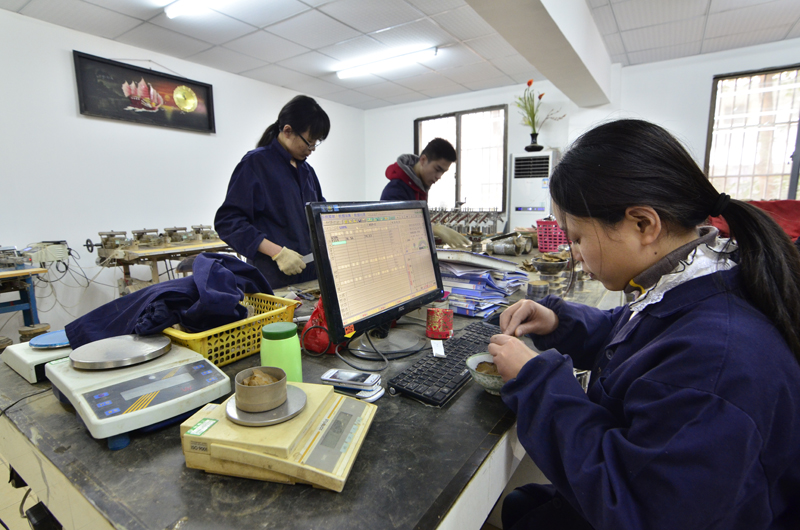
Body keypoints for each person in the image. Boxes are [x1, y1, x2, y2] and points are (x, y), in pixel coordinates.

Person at [488, 119, 800, 530]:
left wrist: (535, 380)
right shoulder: (699, 284)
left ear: (643, 224)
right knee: (523, 505)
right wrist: (559, 321)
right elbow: (635, 335)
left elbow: (632, 505)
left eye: (578, 238)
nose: (574, 253)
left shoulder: (718, 363)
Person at [215, 95, 330, 289]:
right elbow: (228, 222)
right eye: (309, 142)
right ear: (288, 131)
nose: (312, 149)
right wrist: (277, 252)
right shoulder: (256, 164)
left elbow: (319, 213)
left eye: (315, 143)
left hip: (310, 276)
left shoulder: (307, 171)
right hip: (274, 280)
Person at [380, 137, 470, 248]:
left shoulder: (419, 188)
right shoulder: (395, 190)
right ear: (423, 160)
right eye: (437, 169)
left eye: (443, 172)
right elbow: (394, 230)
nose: (439, 177)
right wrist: (433, 228)